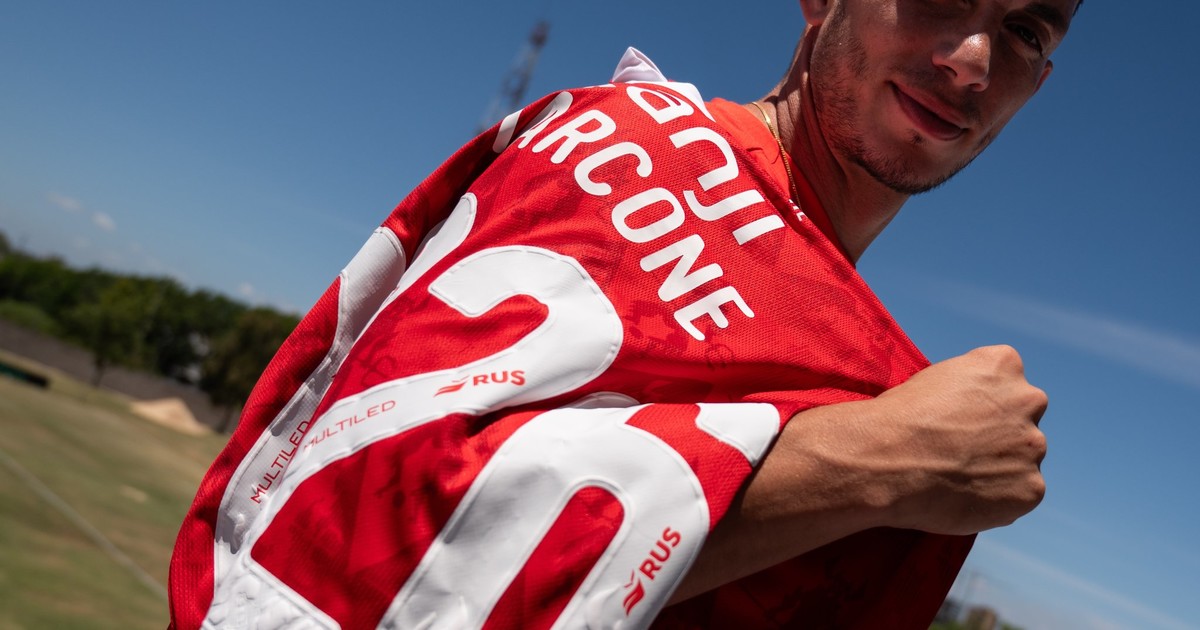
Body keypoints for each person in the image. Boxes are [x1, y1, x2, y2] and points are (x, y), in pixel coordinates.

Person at [167, 0, 1079, 628]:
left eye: (1026, 30)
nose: (972, 61)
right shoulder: (627, 152)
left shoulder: (883, 380)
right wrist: (873, 460)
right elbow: (355, 529)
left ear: (1036, 86)